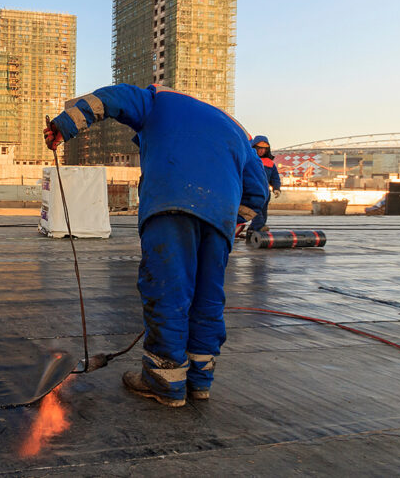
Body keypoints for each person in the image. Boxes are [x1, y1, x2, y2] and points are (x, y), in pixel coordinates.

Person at [44, 84, 269, 407]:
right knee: (207, 297)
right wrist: (231, 223)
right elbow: (258, 193)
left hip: (171, 202)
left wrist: (62, 126)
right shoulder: (234, 128)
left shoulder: (156, 99)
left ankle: (164, 379)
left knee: (168, 289)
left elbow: (109, 99)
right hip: (219, 217)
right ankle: (199, 381)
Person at [247, 135, 281, 234]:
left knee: (263, 213)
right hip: (253, 191)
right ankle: (259, 226)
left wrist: (276, 188)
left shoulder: (270, 163)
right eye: (259, 148)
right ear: (254, 148)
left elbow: (275, 177)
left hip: (266, 193)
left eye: (264, 149)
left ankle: (252, 231)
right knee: (256, 212)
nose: (262, 151)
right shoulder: (249, 161)